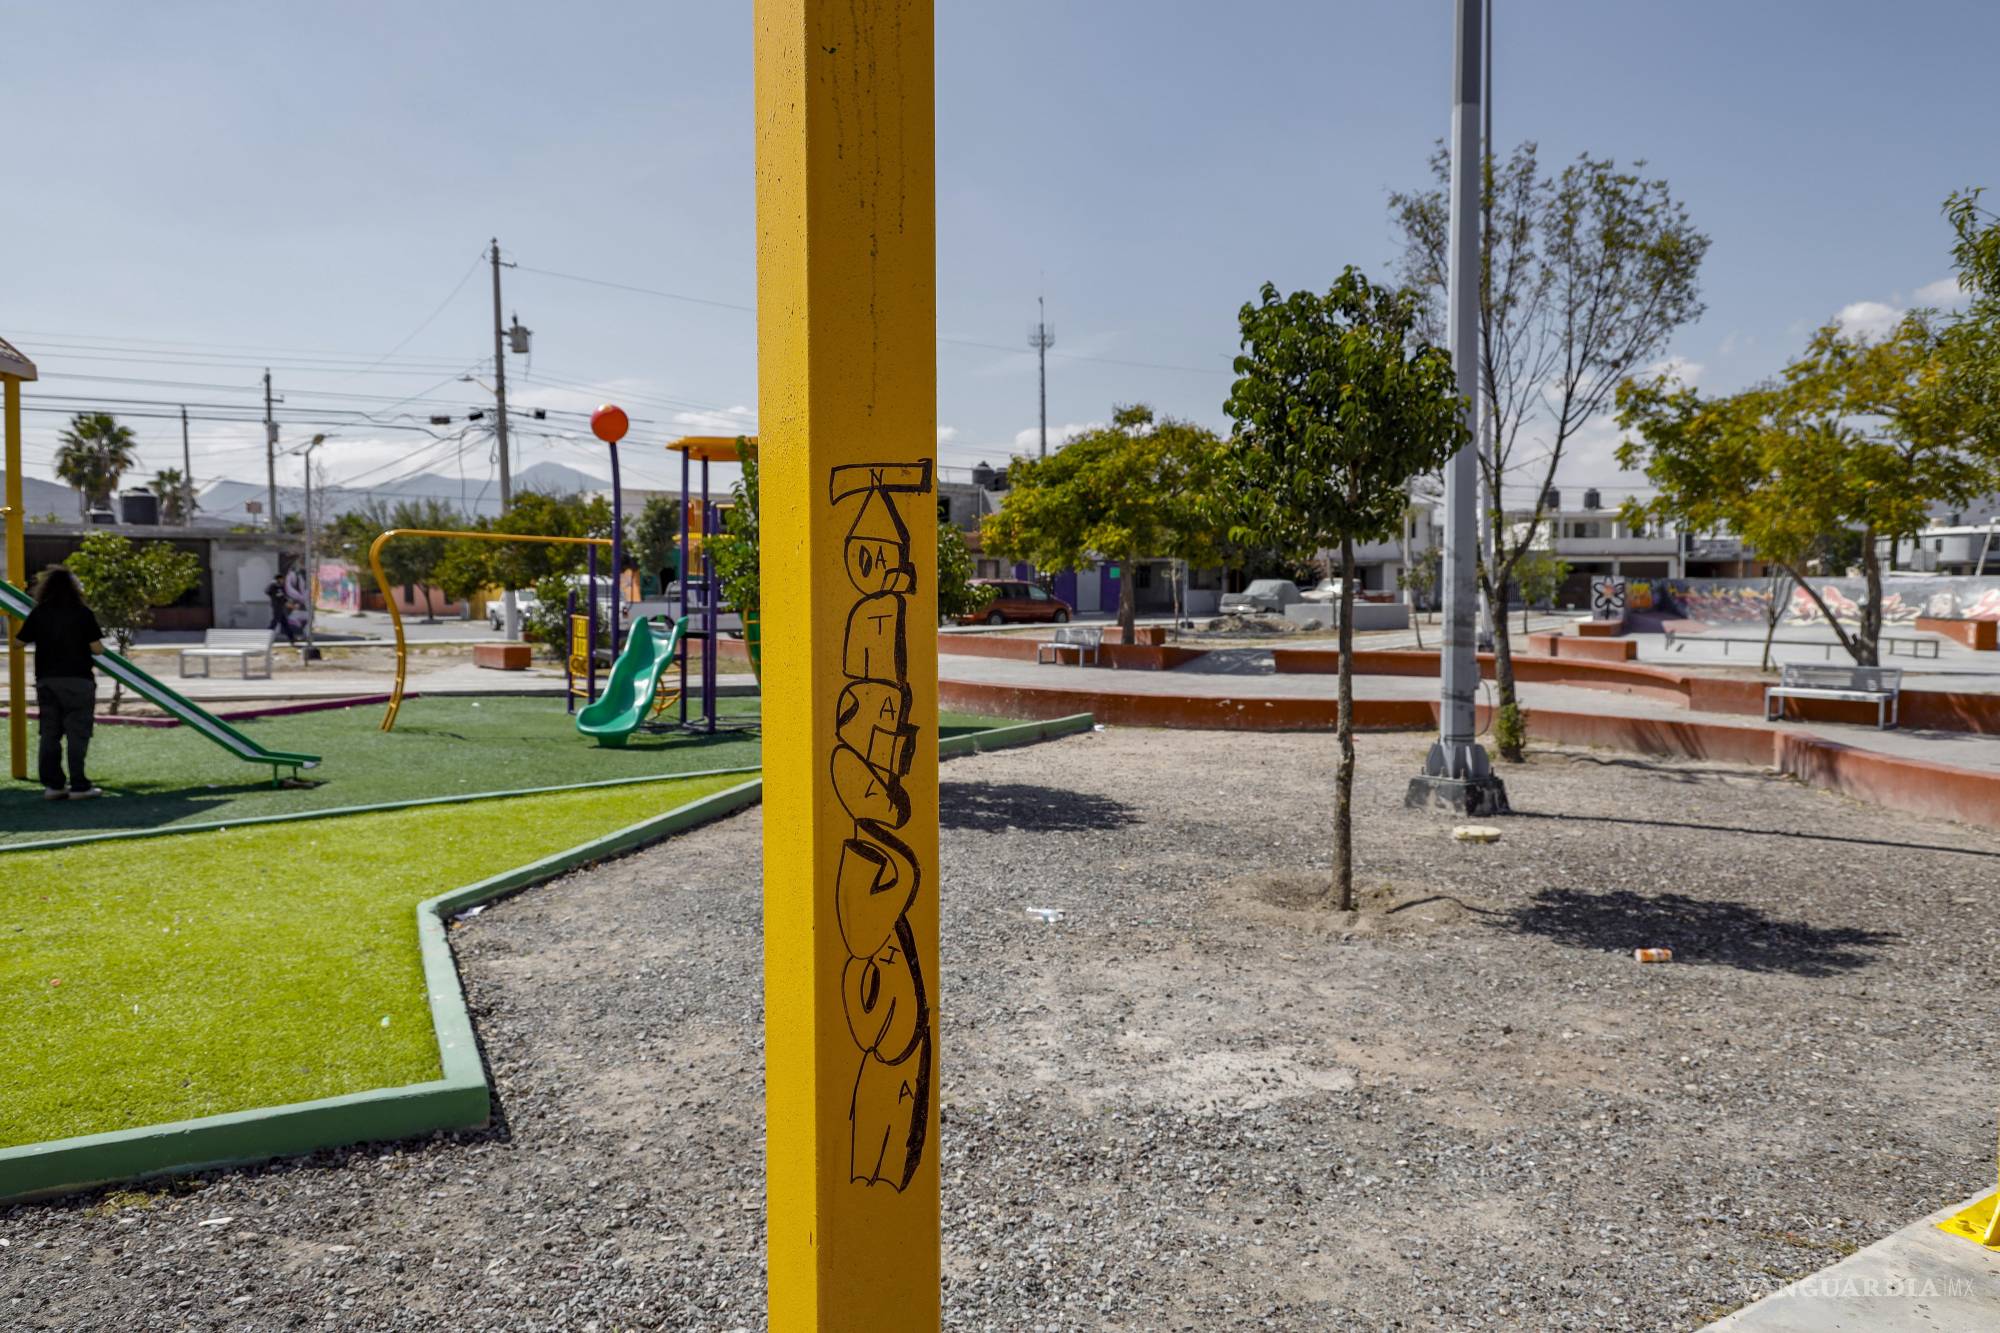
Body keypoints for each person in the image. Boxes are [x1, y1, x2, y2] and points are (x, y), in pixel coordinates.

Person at [12, 565, 106, 800]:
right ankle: (79, 786)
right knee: (77, 734)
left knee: (50, 734)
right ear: (75, 588)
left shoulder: (40, 613)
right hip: (79, 679)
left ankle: (54, 785)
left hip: (47, 680)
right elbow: (97, 649)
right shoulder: (82, 613)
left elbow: (18, 643)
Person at [265, 576, 300, 647]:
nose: (283, 581)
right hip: (276, 608)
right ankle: (265, 639)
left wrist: (290, 604)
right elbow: (267, 591)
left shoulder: (280, 587)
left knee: (285, 624)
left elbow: (283, 598)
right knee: (273, 625)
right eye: (281, 579)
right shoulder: (273, 587)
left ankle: (292, 639)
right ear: (278, 579)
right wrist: (272, 583)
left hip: (281, 608)